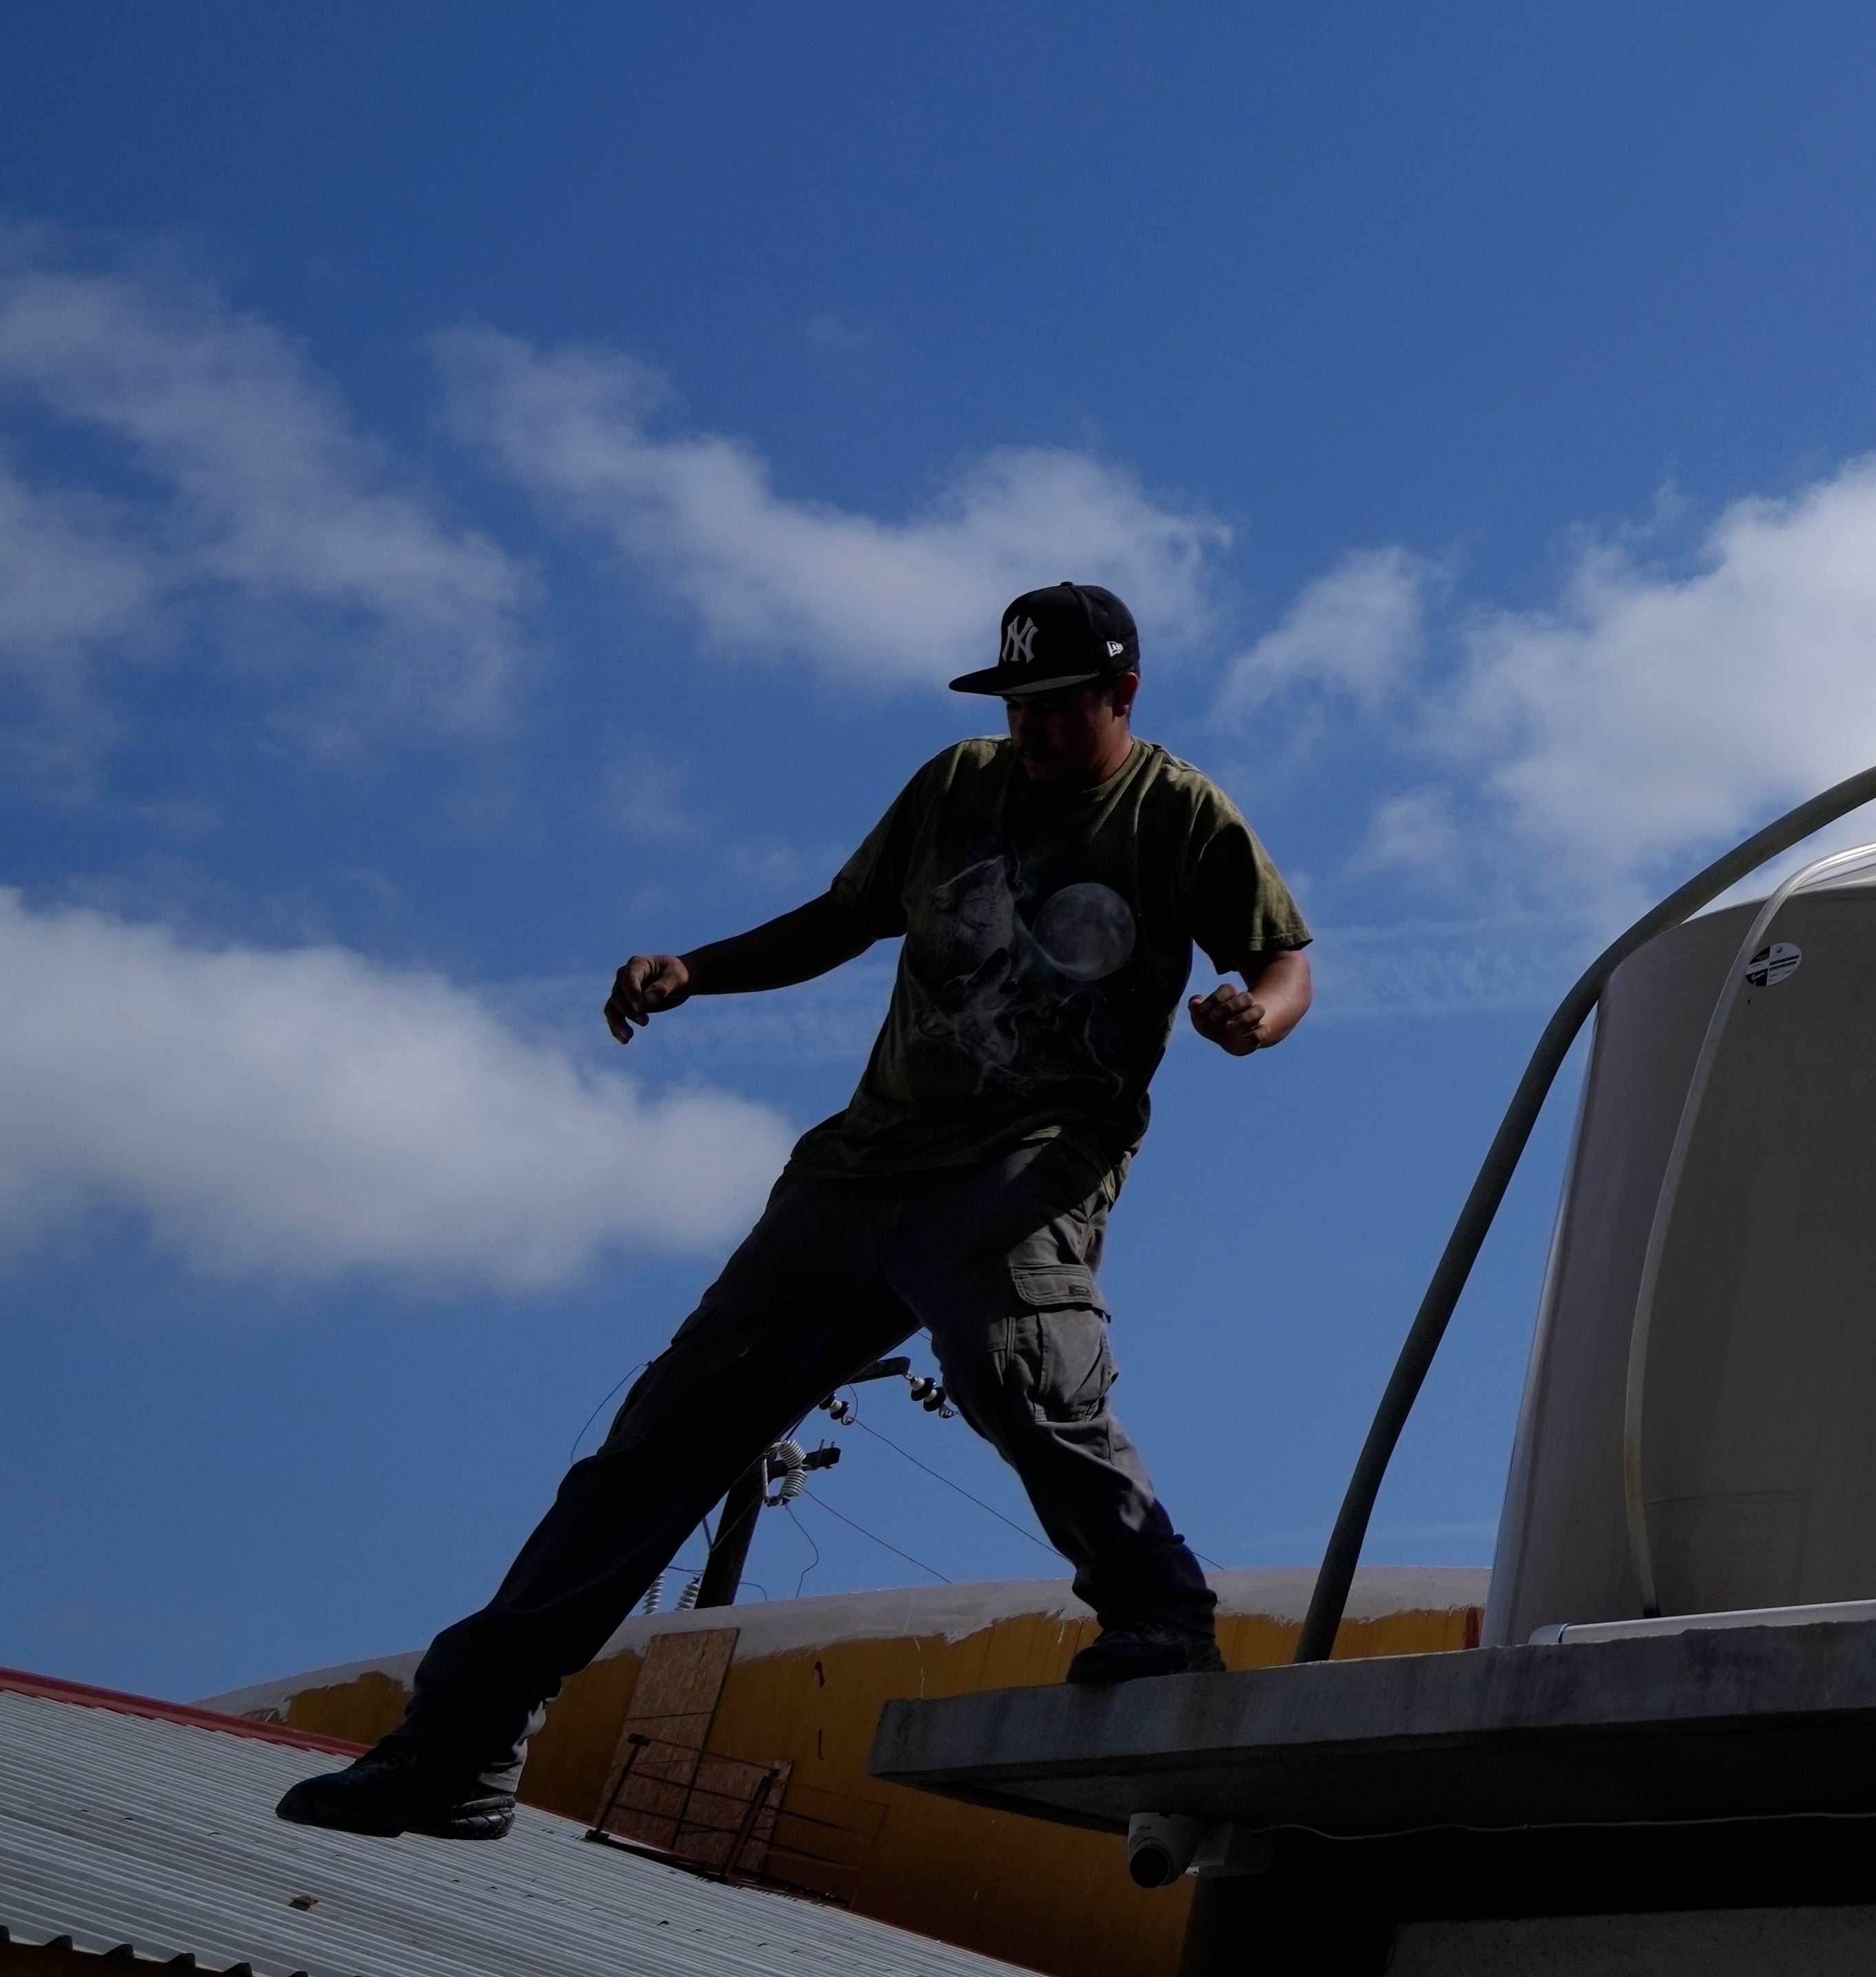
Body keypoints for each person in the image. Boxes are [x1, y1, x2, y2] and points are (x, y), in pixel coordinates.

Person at [280, 582, 1317, 1840]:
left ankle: (1159, 1613)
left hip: (1034, 1146)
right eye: (1016, 705)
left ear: (1122, 694)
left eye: (1056, 705)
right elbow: (841, 919)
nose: (1031, 727)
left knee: (1010, 1359)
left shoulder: (1180, 814)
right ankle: (462, 1740)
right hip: (864, 1162)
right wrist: (697, 970)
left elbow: (1282, 960)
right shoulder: (955, 785)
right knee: (669, 1428)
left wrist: (1252, 1016)